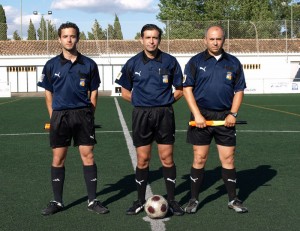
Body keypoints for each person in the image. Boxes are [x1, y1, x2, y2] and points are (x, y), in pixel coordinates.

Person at [38, 22, 109, 216]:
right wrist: (53, 117)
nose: (69, 39)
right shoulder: (51, 65)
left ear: (78, 38)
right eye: (65, 36)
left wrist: (89, 115)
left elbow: (93, 93)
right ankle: (57, 201)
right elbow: (48, 94)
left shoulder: (89, 64)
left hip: (82, 115)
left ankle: (92, 200)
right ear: (59, 39)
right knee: (58, 158)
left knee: (88, 156)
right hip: (60, 116)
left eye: (72, 36)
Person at [115, 24, 184, 216]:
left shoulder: (170, 61)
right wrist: (142, 102)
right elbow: (124, 92)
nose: (151, 41)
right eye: (148, 37)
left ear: (159, 39)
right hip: (141, 115)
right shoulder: (132, 63)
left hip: (164, 114)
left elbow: (180, 89)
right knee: (143, 159)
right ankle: (139, 200)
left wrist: (166, 101)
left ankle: (172, 201)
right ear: (141, 39)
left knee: (167, 158)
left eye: (155, 37)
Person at [182, 25, 248, 214]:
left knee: (228, 158)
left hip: (225, 117)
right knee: (199, 158)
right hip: (201, 116)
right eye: (211, 39)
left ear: (224, 40)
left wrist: (232, 114)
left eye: (218, 39)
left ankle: (233, 199)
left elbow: (239, 90)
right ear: (205, 40)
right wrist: (197, 115)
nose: (215, 42)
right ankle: (193, 199)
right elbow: (187, 89)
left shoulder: (234, 62)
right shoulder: (195, 62)